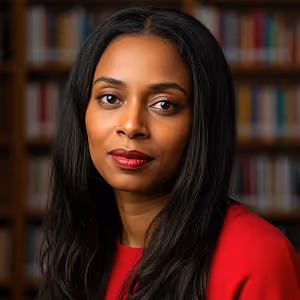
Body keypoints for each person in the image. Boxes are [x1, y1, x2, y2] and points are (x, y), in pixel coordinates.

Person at [36, 5, 300, 300]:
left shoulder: (257, 257)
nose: (132, 126)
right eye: (110, 98)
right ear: (82, 111)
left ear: (201, 122)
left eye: (164, 104)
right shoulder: (79, 250)